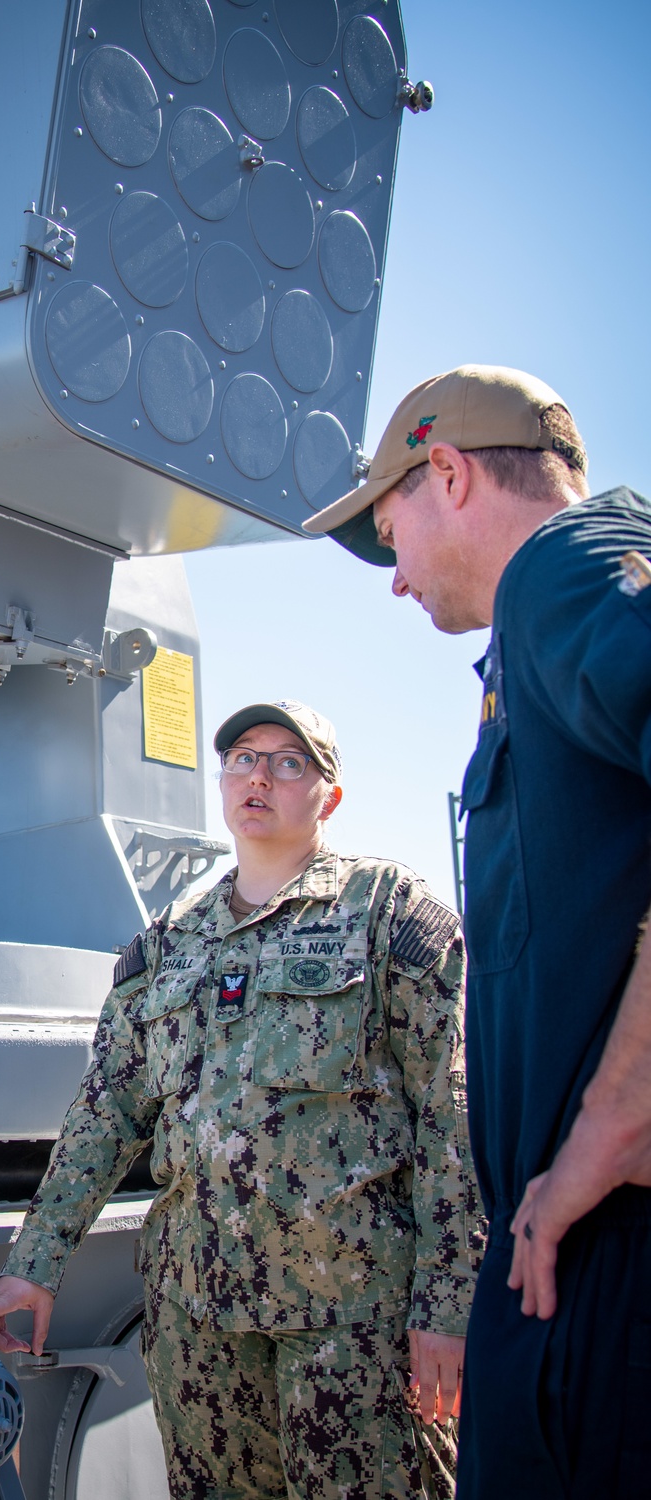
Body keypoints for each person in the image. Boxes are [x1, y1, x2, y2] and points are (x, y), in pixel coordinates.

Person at [0, 699, 483, 1500]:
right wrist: (35, 1266)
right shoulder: (164, 945)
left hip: (353, 1324)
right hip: (197, 1326)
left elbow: (454, 1118)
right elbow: (105, 1117)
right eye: (241, 757)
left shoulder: (388, 916)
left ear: (328, 796)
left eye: (288, 761)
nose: (259, 775)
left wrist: (448, 1306)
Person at [303, 364, 651, 1498]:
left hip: (601, 1269)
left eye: (386, 530)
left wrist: (612, 1123)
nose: (392, 581)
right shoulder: (549, 618)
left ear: (445, 472)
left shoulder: (566, 570)